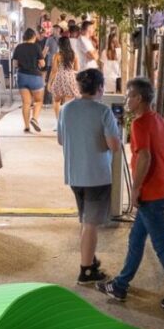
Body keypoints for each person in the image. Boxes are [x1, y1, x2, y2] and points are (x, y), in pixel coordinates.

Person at [98, 77, 164, 313]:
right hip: (162, 190)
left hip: (150, 194)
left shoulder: (140, 124)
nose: (126, 100)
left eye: (129, 95)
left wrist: (137, 188)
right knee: (136, 239)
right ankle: (120, 285)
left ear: (139, 98)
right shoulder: (160, 120)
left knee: (162, 247)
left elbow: (145, 157)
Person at [59, 69, 120, 285]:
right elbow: (114, 145)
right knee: (91, 224)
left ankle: (89, 258)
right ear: (100, 88)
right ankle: (86, 271)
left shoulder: (66, 109)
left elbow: (61, 140)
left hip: (74, 174)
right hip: (97, 175)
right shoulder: (103, 111)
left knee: (85, 220)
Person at [12, 29, 46, 133]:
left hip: (22, 76)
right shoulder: (36, 47)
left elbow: (14, 64)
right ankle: (34, 119)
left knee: (26, 103)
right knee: (38, 101)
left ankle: (26, 126)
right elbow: (43, 64)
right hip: (35, 76)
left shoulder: (18, 47)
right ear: (34, 36)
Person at [48, 36, 80, 124]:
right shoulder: (74, 55)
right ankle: (68, 122)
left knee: (56, 100)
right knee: (68, 103)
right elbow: (77, 70)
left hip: (60, 78)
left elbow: (54, 70)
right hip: (70, 78)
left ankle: (59, 122)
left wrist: (49, 83)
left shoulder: (57, 55)